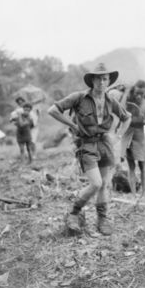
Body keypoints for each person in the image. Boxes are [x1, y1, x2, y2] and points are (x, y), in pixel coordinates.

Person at [48, 63, 131, 235]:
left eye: (105, 79)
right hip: (86, 145)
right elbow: (53, 110)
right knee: (96, 183)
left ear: (108, 81)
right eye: (98, 78)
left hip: (105, 145)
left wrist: (118, 134)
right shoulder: (79, 97)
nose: (102, 82)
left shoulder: (110, 101)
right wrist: (72, 125)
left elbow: (126, 117)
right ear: (92, 80)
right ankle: (73, 213)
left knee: (104, 185)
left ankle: (102, 220)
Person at [121, 80, 145, 198]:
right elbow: (120, 113)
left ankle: (143, 193)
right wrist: (126, 93)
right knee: (131, 167)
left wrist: (144, 121)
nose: (139, 96)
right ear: (133, 91)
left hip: (140, 139)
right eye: (137, 93)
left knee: (142, 167)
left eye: (141, 93)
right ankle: (134, 195)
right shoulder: (128, 103)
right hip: (128, 137)